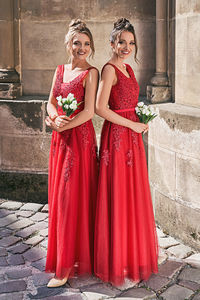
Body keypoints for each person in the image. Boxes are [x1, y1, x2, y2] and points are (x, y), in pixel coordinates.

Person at [94, 18, 158, 286]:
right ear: (112, 43)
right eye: (121, 41)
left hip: (132, 139)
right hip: (117, 139)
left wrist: (140, 119)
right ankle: (116, 260)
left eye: (131, 42)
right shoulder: (109, 69)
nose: (126, 46)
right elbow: (99, 107)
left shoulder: (130, 70)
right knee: (118, 193)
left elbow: (128, 103)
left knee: (132, 194)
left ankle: (131, 254)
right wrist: (132, 123)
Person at [45, 19, 99, 288]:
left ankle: (66, 266)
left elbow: (89, 111)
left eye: (87, 44)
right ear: (68, 44)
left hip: (80, 140)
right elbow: (50, 102)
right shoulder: (59, 70)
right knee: (60, 198)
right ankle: (65, 258)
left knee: (74, 198)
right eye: (77, 42)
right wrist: (54, 119)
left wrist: (64, 124)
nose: (82, 48)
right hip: (60, 141)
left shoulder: (92, 73)